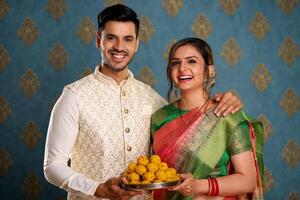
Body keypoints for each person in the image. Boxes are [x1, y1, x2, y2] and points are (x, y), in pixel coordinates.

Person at [43, 4, 243, 200]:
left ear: (136, 43)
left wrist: (223, 102)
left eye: (128, 39)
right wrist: (98, 189)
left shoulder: (153, 99)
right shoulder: (74, 96)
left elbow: (188, 135)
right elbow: (53, 166)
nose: (120, 47)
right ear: (98, 40)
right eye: (111, 38)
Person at [151, 38, 264, 200]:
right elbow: (153, 173)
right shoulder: (160, 118)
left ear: (208, 71)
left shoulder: (227, 115)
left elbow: (248, 181)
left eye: (192, 61)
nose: (182, 68)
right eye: (175, 63)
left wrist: (198, 185)